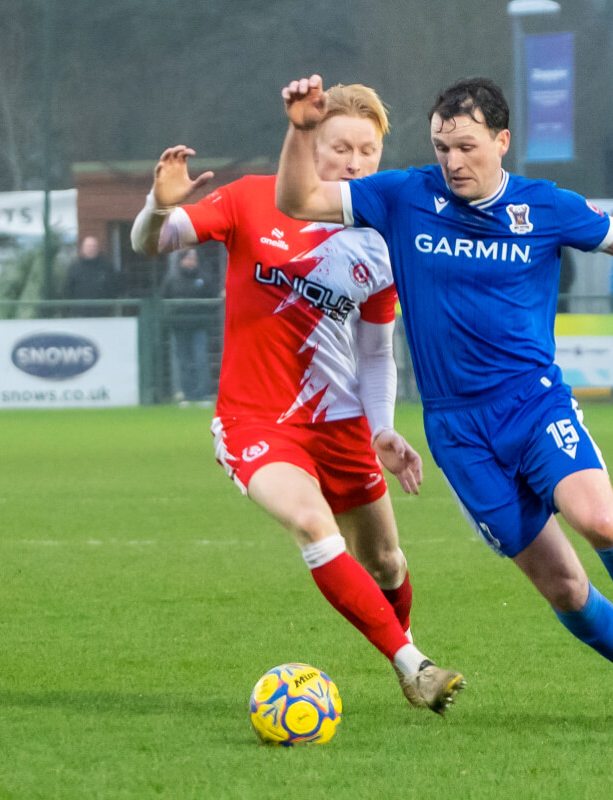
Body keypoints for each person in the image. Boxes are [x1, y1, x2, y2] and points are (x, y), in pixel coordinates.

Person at [277, 74, 613, 725]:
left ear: (502, 141)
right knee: (562, 584)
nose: (452, 161)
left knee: (601, 522)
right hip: (459, 433)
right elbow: (299, 197)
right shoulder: (405, 196)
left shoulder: (544, 207)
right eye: (442, 147)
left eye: (466, 146)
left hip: (534, 405)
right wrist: (302, 129)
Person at [130, 83, 465, 715]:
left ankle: (402, 648)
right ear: (313, 140)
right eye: (341, 146)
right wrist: (155, 205)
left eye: (368, 151)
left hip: (340, 428)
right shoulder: (253, 198)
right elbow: (153, 241)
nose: (355, 162)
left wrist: (382, 430)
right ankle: (413, 665)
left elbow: (373, 352)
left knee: (388, 561)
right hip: (257, 422)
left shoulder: (378, 236)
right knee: (312, 524)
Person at [159, 248, 216, 402]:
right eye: (188, 259)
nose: (191, 262)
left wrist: (204, 315)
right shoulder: (172, 279)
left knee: (200, 359)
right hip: (179, 327)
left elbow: (213, 298)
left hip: (199, 325)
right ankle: (188, 394)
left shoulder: (204, 278)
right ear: (181, 261)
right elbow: (164, 299)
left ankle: (202, 394)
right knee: (183, 361)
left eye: (194, 259)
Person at [64, 236, 122, 317]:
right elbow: (68, 291)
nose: (91, 248)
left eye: (94, 246)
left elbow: (115, 288)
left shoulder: (106, 267)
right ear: (83, 249)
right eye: (88, 246)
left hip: (103, 315)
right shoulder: (74, 268)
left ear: (98, 248)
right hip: (80, 315)